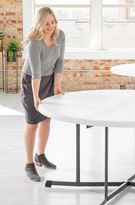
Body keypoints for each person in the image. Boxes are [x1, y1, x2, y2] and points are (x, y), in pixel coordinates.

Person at [21, 7, 65, 182]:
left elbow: (59, 62)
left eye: (52, 22)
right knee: (32, 123)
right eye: (46, 23)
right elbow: (36, 73)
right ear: (39, 24)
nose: (50, 26)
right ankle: (29, 164)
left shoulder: (60, 36)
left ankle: (41, 156)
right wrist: (36, 96)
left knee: (47, 119)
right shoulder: (34, 43)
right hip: (32, 81)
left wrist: (57, 85)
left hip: (48, 80)